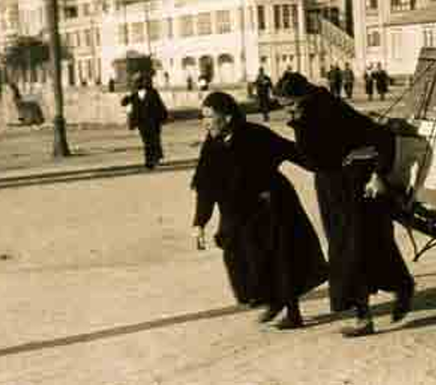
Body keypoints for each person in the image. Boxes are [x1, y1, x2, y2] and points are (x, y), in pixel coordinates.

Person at [275, 71, 415, 338]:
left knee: (355, 249)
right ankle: (400, 288)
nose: (288, 111)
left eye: (290, 105)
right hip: (331, 190)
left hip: (357, 187)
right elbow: (314, 161)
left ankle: (367, 316)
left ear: (303, 97)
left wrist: (378, 175)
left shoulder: (332, 111)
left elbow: (382, 137)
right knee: (353, 248)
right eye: (284, 107)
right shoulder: (307, 115)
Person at [191, 91, 327, 330]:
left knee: (280, 257)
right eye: (203, 117)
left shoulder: (255, 135)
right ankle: (272, 300)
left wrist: (328, 162)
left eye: (210, 117)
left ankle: (293, 313)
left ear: (228, 117)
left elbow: (293, 152)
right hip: (238, 212)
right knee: (241, 257)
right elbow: (206, 186)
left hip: (271, 205)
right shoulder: (212, 144)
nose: (205, 122)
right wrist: (199, 223)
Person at [121, 74, 169, 170]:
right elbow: (123, 103)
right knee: (146, 143)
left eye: (139, 81)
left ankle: (154, 159)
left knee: (154, 141)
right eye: (136, 82)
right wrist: (126, 98)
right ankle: (150, 160)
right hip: (141, 123)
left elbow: (160, 105)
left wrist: (163, 117)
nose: (137, 84)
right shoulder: (134, 95)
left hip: (153, 121)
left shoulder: (152, 92)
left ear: (143, 82)